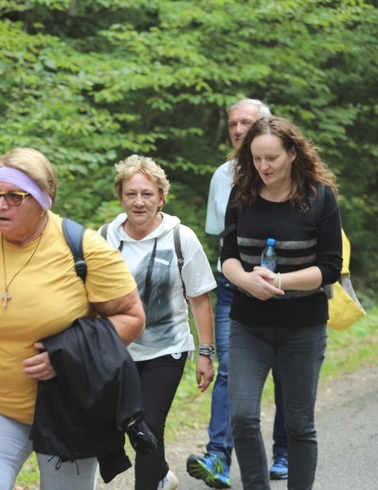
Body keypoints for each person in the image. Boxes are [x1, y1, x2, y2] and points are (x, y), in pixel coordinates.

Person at [0, 147, 146, 489]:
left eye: (14, 197)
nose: (0, 205)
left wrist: (68, 355)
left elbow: (132, 317)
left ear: (44, 199)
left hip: (70, 405)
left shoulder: (85, 248)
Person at [221, 116, 341, 489]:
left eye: (271, 158)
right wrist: (244, 279)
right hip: (248, 324)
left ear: (292, 153)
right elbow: (227, 256)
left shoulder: (319, 196)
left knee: (299, 423)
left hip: (303, 327)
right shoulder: (242, 191)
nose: (264, 167)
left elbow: (330, 267)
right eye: (256, 159)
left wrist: (278, 281)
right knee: (242, 416)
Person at [188, 98, 293, 488]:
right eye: (233, 123)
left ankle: (284, 452)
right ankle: (217, 456)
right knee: (230, 372)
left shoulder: (293, 172)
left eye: (246, 122)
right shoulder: (223, 175)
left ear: (268, 125)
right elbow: (220, 234)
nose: (237, 129)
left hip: (284, 287)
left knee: (285, 372)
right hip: (235, 287)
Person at [101, 155, 216, 490]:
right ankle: (162, 474)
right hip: (117, 349)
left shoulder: (181, 238)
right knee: (126, 424)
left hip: (168, 348)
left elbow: (199, 298)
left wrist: (205, 353)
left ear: (161, 197)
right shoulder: (106, 237)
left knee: (148, 425)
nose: (139, 202)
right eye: (131, 194)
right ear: (121, 197)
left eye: (147, 194)